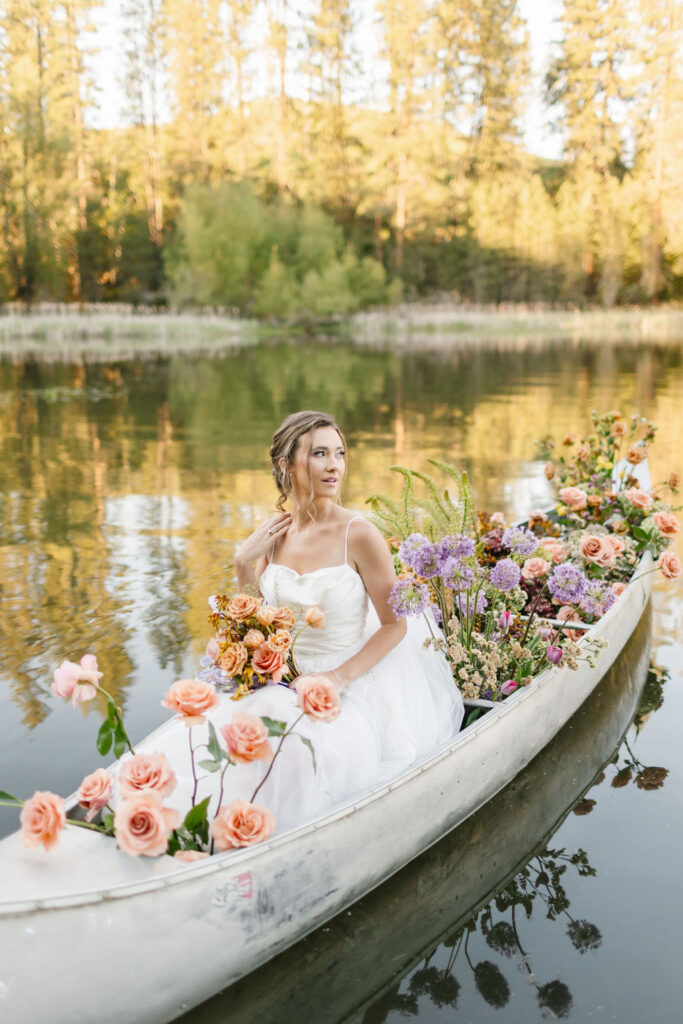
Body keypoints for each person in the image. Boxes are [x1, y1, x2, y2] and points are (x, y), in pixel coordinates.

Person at [154, 411, 464, 835]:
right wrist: (243, 563)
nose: (335, 465)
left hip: (346, 683)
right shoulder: (274, 534)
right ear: (287, 465)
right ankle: (193, 830)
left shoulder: (359, 534)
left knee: (296, 754)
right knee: (210, 742)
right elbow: (257, 624)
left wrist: (336, 678)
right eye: (320, 453)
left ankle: (267, 838)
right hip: (279, 680)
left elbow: (395, 626)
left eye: (339, 453)